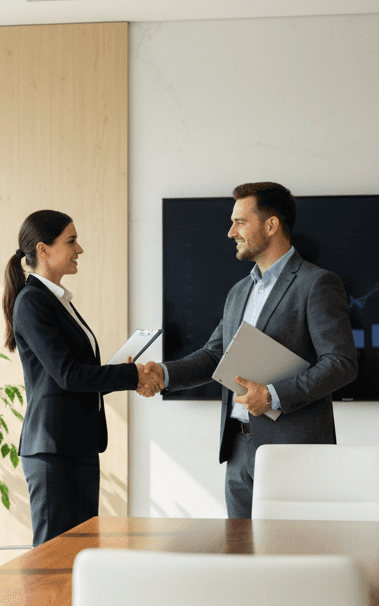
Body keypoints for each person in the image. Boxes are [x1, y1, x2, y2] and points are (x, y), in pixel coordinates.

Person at [2, 210, 163, 606]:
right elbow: (70, 374)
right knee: (50, 569)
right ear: (43, 249)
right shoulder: (33, 302)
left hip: (75, 447)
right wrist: (131, 372)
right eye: (71, 241)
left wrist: (125, 369)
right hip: (51, 451)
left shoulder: (57, 302)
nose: (80, 249)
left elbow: (77, 371)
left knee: (75, 566)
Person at [148, 182, 357, 519]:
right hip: (238, 450)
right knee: (243, 562)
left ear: (271, 225)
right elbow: (215, 356)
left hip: (292, 452)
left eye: (240, 222)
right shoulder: (239, 291)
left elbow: (341, 363)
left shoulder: (316, 283)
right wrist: (163, 373)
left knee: (291, 561)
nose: (231, 232)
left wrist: (273, 395)